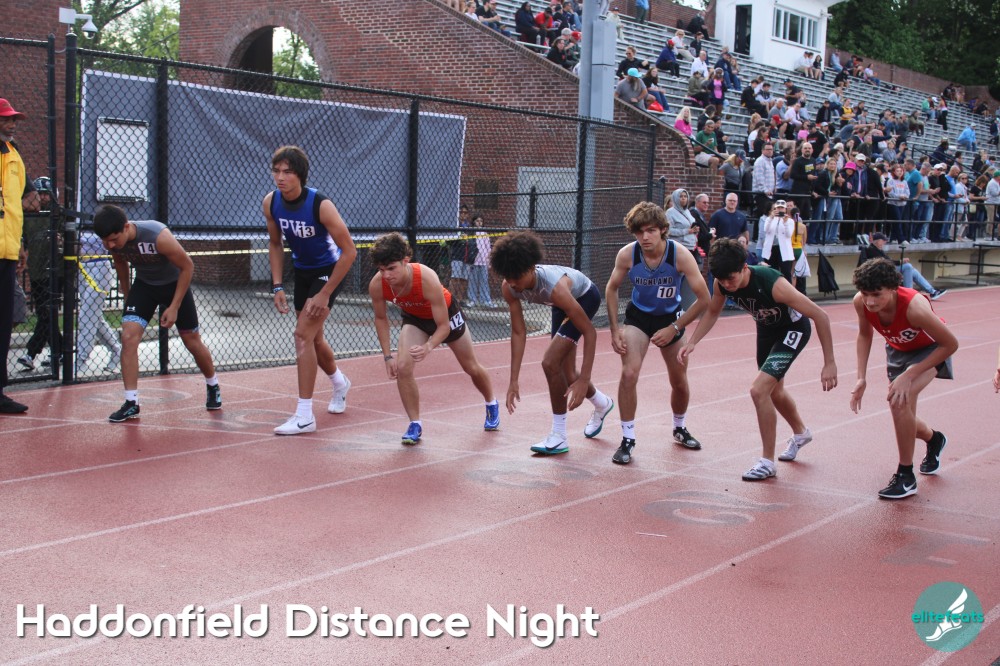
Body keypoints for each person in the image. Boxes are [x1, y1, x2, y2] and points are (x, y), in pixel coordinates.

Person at [679, 238, 838, 481]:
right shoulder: (722, 283)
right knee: (774, 392)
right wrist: (692, 341)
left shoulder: (773, 283)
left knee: (759, 390)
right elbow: (712, 311)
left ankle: (767, 462)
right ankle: (801, 433)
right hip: (766, 330)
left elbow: (821, 316)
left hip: (792, 329)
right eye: (721, 280)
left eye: (731, 279)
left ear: (744, 268)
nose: (727, 285)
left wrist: (829, 362)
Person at [93, 205, 222, 422]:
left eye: (114, 239)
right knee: (128, 337)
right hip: (145, 286)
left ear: (126, 227)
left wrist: (174, 307)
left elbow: (187, 267)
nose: (110, 245)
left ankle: (213, 384)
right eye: (105, 241)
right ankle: (131, 403)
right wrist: (128, 296)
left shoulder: (158, 236)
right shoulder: (114, 243)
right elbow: (120, 264)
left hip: (174, 285)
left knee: (191, 340)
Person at [490, 231, 614, 455]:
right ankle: (602, 403)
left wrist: (585, 379)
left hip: (584, 298)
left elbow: (590, 332)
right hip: (559, 306)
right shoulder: (509, 287)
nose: (512, 283)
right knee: (567, 372)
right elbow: (518, 332)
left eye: (517, 277)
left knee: (550, 362)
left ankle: (558, 435)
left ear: (531, 268)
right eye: (508, 277)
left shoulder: (555, 288)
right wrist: (513, 380)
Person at [604, 202, 711, 464]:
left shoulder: (680, 255)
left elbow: (704, 299)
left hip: (670, 317)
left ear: (663, 230)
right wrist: (615, 329)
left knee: (679, 379)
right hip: (638, 318)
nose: (645, 237)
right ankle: (627, 438)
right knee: (629, 373)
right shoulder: (628, 255)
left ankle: (679, 427)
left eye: (651, 230)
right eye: (639, 232)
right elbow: (611, 288)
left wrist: (675, 327)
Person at [369, 233, 499, 444]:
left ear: (405, 261)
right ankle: (415, 424)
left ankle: (491, 403)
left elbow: (443, 326)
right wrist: (387, 356)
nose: (386, 275)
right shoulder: (377, 284)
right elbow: (381, 318)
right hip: (415, 319)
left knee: (470, 366)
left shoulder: (426, 278)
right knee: (403, 367)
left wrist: (428, 346)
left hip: (446, 316)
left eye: (391, 268)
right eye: (381, 270)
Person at [263, 145, 356, 435]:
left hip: (328, 271)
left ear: (300, 175)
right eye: (276, 171)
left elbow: (349, 252)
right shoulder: (271, 203)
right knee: (314, 339)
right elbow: (275, 244)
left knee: (302, 335)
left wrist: (325, 292)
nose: (280, 177)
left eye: (287, 172)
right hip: (302, 272)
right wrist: (277, 285)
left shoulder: (320, 205)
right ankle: (340, 383)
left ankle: (305, 416)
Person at [850, 258, 958, 499]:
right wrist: (861, 378)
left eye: (877, 294)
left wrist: (910, 374)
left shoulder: (914, 307)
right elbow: (864, 335)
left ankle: (906, 476)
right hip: (898, 350)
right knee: (904, 412)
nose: (870, 301)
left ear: (893, 288)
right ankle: (934, 439)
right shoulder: (861, 302)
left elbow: (950, 344)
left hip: (930, 350)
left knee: (898, 401)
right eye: (865, 294)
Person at [1, 98, 36, 414]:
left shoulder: (14, 156)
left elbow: (19, 204)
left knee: (6, 317)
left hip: (8, 249)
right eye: (6, 119)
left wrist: (21, 243)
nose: (11, 124)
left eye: (13, 120)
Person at [16, 177, 62, 371]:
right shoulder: (27, 217)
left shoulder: (58, 215)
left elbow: (67, 239)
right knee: (45, 314)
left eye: (46, 194)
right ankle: (60, 351)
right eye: (40, 194)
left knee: (46, 313)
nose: (42, 198)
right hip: (36, 272)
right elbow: (23, 241)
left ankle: (31, 353)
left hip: (55, 272)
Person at [76, 224, 122, 372]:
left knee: (86, 315)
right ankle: (117, 350)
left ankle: (81, 358)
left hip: (100, 265)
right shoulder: (75, 219)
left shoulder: (101, 221)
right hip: (82, 266)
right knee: (93, 316)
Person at [862, 233, 946, 299]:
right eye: (883, 240)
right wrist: (900, 262)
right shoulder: (872, 249)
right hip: (882, 270)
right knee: (908, 266)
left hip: (886, 267)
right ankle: (909, 293)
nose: (884, 242)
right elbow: (885, 262)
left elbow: (887, 260)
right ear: (878, 241)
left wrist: (900, 262)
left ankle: (932, 291)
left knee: (912, 271)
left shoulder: (878, 249)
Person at [760, 199, 795, 282]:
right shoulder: (769, 219)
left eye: (782, 208)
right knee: (771, 273)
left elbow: (789, 234)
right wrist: (771, 218)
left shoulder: (790, 221)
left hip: (784, 250)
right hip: (771, 249)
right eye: (778, 208)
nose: (780, 210)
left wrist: (785, 222)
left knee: (786, 273)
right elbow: (766, 230)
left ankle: (787, 289)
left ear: (785, 209)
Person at [466, 213, 493, 307]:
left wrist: (488, 261)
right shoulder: (471, 232)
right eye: (477, 221)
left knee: (484, 281)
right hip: (474, 260)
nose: (479, 223)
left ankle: (485, 300)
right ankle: (472, 300)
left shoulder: (484, 233)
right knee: (472, 281)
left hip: (483, 261)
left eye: (481, 221)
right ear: (474, 222)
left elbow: (488, 248)